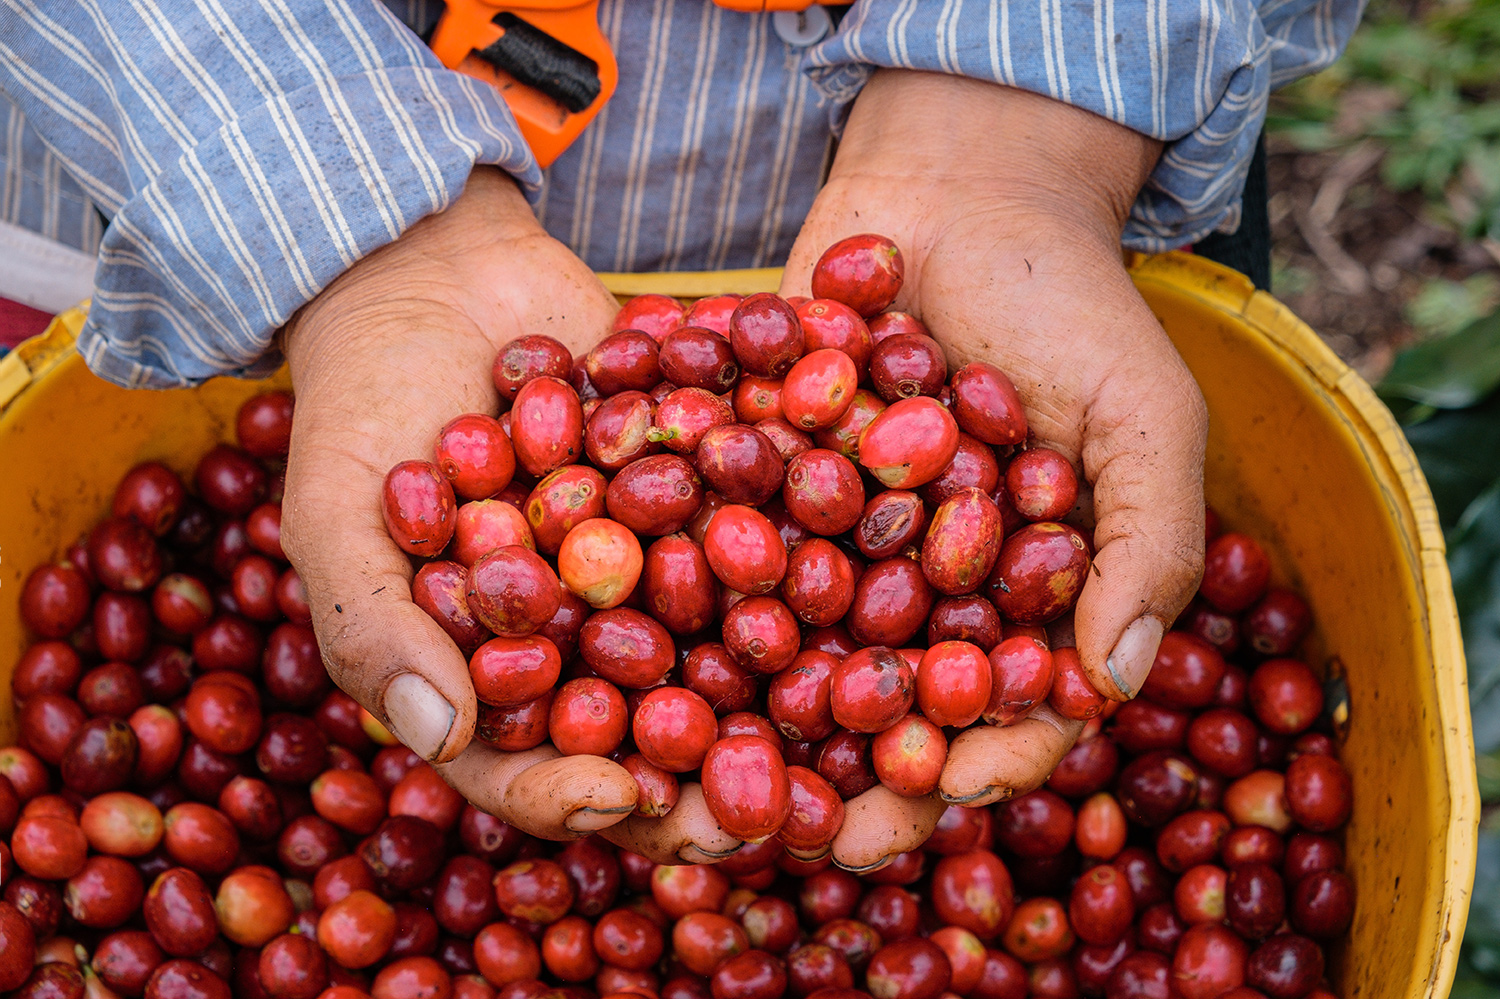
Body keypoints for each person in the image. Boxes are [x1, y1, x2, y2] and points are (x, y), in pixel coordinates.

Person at [0, 0, 1363, 870]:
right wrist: (331, 215)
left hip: (960, 122)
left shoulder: (759, 489)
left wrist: (1030, 118)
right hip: (224, 140)